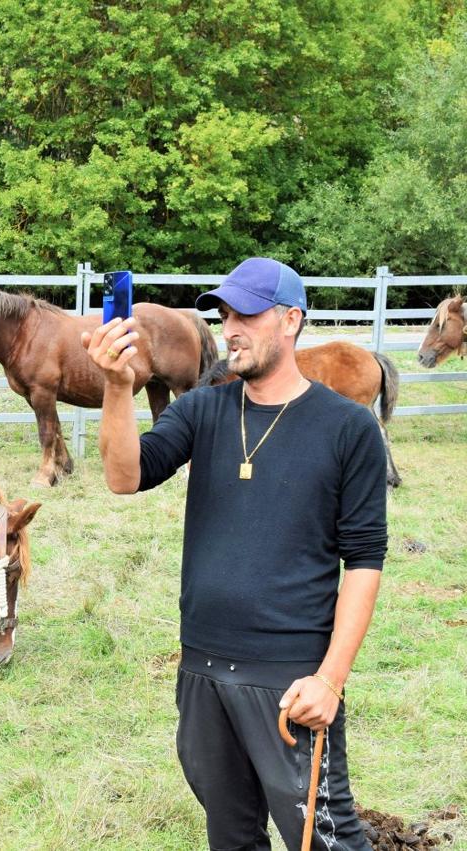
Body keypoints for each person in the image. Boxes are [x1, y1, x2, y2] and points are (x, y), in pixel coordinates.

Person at [82, 257, 387, 850]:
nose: (230, 327)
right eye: (224, 313)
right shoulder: (203, 410)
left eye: (247, 313)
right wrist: (118, 388)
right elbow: (124, 476)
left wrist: (330, 679)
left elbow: (365, 562)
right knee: (231, 836)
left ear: (291, 320)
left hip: (290, 678)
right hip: (202, 670)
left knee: (325, 836)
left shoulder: (347, 428)